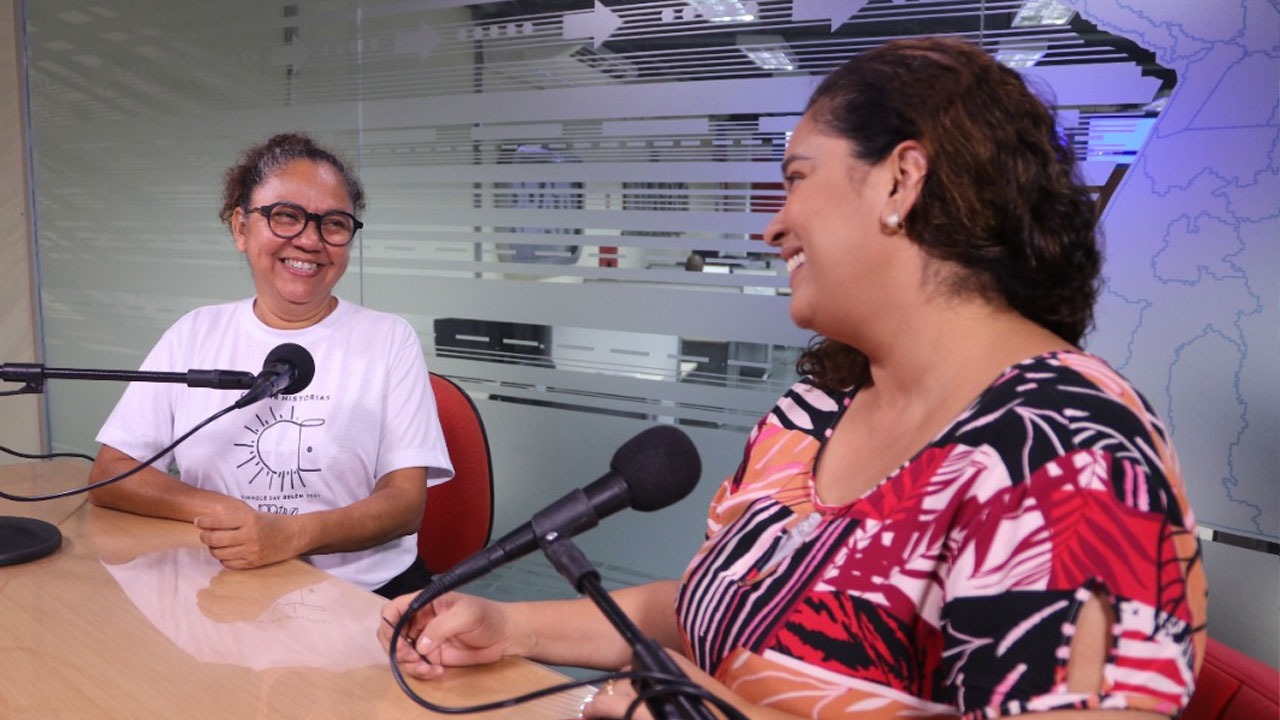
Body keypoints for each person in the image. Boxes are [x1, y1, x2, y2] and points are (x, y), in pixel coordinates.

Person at [378, 37, 1207, 719]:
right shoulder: (811, 412)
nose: (772, 224)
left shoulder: (1070, 456)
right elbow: (723, 613)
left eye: (798, 177)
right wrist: (511, 626)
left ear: (899, 180)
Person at [89, 132, 453, 599]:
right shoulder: (195, 333)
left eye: (334, 224)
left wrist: (290, 534)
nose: (309, 240)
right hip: (222, 584)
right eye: (286, 216)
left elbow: (405, 505)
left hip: (364, 592)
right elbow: (112, 472)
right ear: (241, 228)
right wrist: (227, 514)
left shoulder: (388, 339)